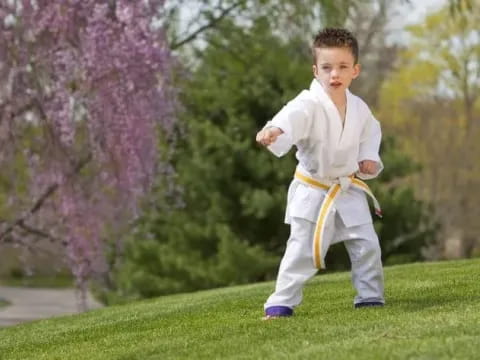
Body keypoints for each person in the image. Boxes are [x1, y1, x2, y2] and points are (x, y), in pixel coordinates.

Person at [255, 28, 385, 319]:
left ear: (355, 70)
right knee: (301, 248)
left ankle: (370, 296)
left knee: (367, 245)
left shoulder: (360, 109)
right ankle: (281, 303)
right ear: (316, 71)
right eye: (326, 68)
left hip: (347, 187)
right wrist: (275, 130)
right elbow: (292, 116)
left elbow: (370, 134)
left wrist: (368, 159)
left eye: (342, 67)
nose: (334, 75)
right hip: (313, 188)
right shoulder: (308, 103)